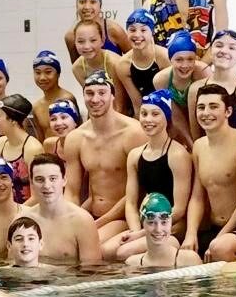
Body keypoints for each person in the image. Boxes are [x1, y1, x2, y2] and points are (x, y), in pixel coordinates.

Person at [64, 71, 146, 242]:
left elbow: (140, 189)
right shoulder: (76, 138)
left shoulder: (133, 133)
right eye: (89, 93)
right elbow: (71, 191)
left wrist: (101, 221)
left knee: (93, 247)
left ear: (112, 96)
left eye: (102, 93)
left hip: (123, 217)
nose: (95, 100)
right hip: (92, 215)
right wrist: (69, 221)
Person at [181, 85, 236, 261]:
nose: (206, 112)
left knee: (219, 249)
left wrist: (223, 234)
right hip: (214, 227)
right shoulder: (199, 146)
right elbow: (197, 196)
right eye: (201, 107)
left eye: (213, 106)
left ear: (228, 111)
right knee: (184, 257)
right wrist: (191, 233)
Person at [116, 89, 192, 259]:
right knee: (107, 251)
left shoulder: (177, 155)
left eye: (155, 114)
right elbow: (130, 202)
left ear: (167, 117)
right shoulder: (135, 155)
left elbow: (179, 209)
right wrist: (136, 230)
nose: (148, 119)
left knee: (123, 253)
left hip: (172, 227)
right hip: (146, 224)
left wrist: (142, 233)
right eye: (144, 114)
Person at [24, 153, 101, 264]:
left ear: (64, 180)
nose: (47, 185)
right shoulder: (23, 221)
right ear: (31, 182)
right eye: (40, 179)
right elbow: (14, 267)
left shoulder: (82, 221)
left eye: (53, 179)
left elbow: (92, 270)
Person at [190, 30, 236, 136]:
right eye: (219, 45)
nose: (224, 51)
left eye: (232, 48)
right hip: (206, 151)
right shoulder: (195, 88)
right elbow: (196, 137)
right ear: (210, 52)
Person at [152, 30, 208, 146]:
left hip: (204, 119)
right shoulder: (161, 80)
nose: (185, 65)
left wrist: (199, 145)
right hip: (179, 124)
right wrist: (191, 144)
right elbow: (176, 116)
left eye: (190, 59)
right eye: (179, 59)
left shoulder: (203, 73)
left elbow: (211, 109)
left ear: (195, 58)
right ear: (170, 59)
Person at [115, 9, 170, 115]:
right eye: (132, 30)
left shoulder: (164, 57)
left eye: (143, 30)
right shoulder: (123, 65)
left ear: (152, 32)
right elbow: (137, 104)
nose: (137, 35)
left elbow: (170, 99)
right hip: (144, 113)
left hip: (167, 110)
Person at [125, 193, 201, 269]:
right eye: (151, 222)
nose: (158, 229)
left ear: (171, 223)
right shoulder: (133, 264)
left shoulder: (190, 260)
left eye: (164, 222)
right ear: (143, 224)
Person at [0, 94, 44, 204]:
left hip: (27, 214)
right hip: (3, 211)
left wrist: (15, 217)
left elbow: (38, 196)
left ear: (13, 120)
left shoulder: (32, 149)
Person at [63, 0, 130, 62]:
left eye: (93, 2)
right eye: (82, 2)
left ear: (100, 5)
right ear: (77, 5)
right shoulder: (71, 37)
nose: (87, 7)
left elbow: (134, 59)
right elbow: (78, 68)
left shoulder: (114, 30)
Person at [70, 20, 127, 112]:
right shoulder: (77, 68)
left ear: (102, 40)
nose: (87, 46)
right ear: (75, 43)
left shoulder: (114, 63)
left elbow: (120, 105)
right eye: (81, 41)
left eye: (93, 40)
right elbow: (92, 99)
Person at [31, 50, 77, 142]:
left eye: (48, 72)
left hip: (67, 151)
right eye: (38, 72)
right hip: (48, 153)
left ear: (58, 74)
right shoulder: (36, 107)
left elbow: (77, 132)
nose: (42, 77)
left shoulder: (67, 99)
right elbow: (40, 138)